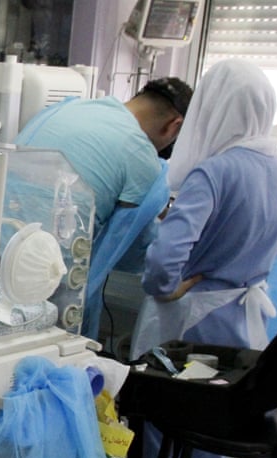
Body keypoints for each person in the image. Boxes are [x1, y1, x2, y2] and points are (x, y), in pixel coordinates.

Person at [130, 59, 277, 458]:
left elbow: (164, 264)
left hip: (192, 324)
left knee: (166, 434)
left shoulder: (213, 171)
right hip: (240, 323)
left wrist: (168, 286)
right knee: (206, 448)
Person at [15, 77, 193, 341]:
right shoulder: (144, 160)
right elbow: (125, 253)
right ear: (174, 126)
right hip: (47, 285)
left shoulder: (65, 108)